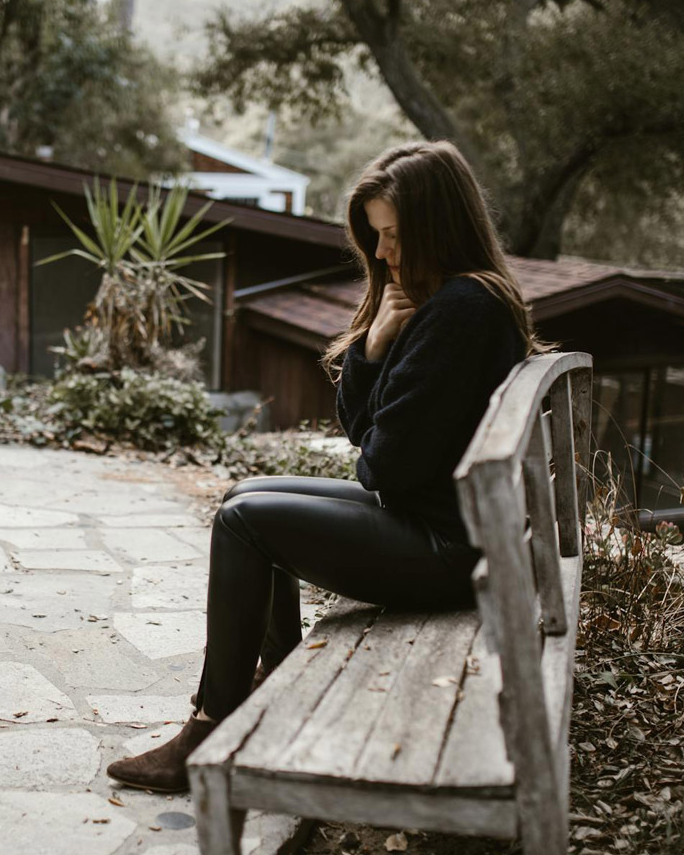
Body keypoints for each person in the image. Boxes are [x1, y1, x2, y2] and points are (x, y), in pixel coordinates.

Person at [105, 140, 550, 793]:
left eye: (395, 235)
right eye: (377, 236)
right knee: (242, 495)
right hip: (452, 526)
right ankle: (272, 679)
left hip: (448, 551)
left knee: (243, 524)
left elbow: (382, 467)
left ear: (439, 227)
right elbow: (369, 440)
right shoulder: (458, 299)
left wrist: (378, 414)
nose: (385, 253)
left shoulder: (462, 311)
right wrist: (372, 348)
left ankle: (209, 727)